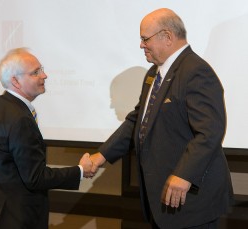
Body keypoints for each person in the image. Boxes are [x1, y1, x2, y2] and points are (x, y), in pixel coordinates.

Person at [90, 8, 233, 229]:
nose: (141, 45)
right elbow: (138, 121)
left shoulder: (195, 71)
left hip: (191, 203)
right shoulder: (153, 73)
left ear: (167, 37)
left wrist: (184, 175)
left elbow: (210, 132)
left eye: (145, 38)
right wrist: (101, 156)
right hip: (162, 204)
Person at [0, 48, 93, 229]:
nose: (45, 75)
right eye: (36, 72)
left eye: (41, 69)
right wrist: (80, 171)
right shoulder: (21, 118)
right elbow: (35, 177)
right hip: (14, 219)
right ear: (15, 81)